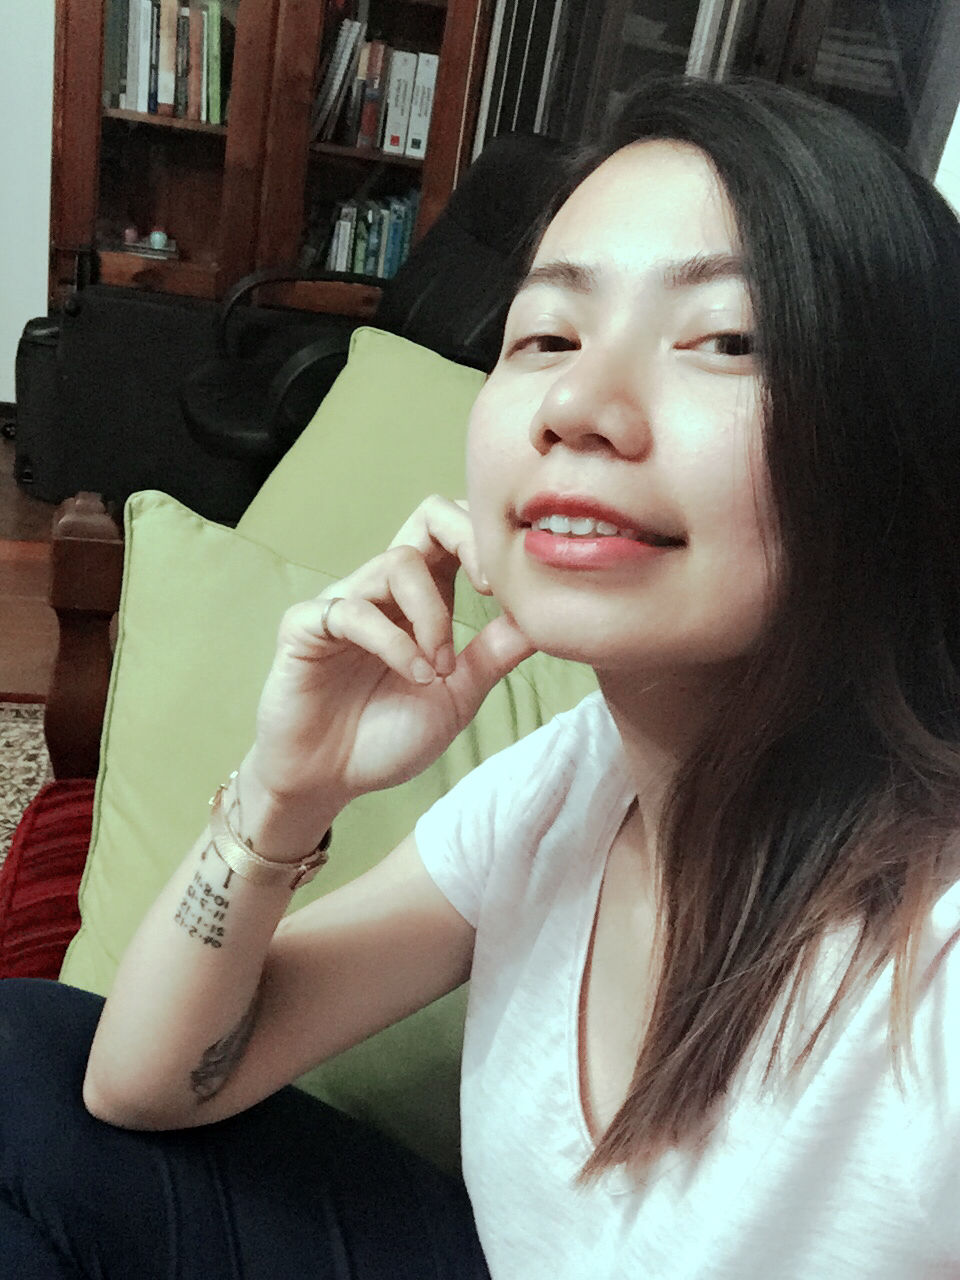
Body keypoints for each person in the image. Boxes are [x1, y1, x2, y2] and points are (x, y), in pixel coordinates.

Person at [3, 73, 960, 1277]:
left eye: (727, 339)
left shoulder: (933, 979)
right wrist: (285, 793)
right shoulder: (570, 783)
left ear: (904, 445)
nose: (579, 403)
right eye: (546, 335)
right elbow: (142, 1080)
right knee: (23, 1055)